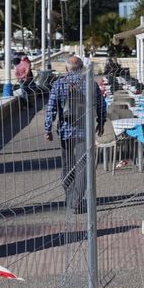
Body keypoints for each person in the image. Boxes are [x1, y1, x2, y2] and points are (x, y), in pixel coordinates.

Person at [44, 56, 106, 215]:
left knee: (67, 166)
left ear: (66, 69)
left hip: (66, 131)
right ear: (81, 68)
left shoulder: (58, 84)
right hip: (85, 131)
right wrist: (101, 121)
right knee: (83, 167)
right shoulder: (90, 84)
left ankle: (70, 196)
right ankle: (76, 201)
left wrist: (48, 128)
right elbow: (101, 105)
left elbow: (51, 108)